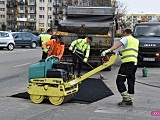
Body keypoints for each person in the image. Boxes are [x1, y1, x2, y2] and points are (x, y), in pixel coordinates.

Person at [101, 29, 139, 106]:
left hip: (127, 63)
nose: (123, 35)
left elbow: (117, 45)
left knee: (119, 80)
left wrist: (107, 50)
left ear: (126, 33)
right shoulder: (136, 40)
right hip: (134, 63)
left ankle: (126, 99)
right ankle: (130, 98)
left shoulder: (126, 38)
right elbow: (130, 50)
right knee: (131, 81)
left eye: (123, 33)